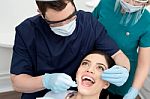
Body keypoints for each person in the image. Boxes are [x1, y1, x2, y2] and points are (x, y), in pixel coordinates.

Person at [10, 0, 130, 99]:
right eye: (57, 23)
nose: (66, 25)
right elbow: (17, 82)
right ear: (41, 14)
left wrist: (124, 69)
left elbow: (118, 55)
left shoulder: (88, 23)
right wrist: (45, 81)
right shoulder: (27, 31)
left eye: (71, 17)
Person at [93, 0, 150, 98]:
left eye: (137, 2)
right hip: (97, 64)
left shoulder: (147, 21)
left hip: (123, 72)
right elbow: (88, 27)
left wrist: (134, 90)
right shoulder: (105, 3)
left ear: (147, 2)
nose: (130, 4)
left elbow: (143, 64)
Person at [38, 50, 115, 99]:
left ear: (106, 84)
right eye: (85, 63)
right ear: (77, 73)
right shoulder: (53, 95)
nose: (89, 70)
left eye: (100, 68)